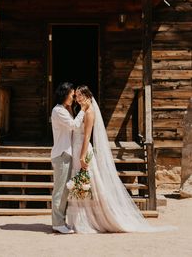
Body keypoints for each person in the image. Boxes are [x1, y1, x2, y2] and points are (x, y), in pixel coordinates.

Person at [67, 85, 175, 233]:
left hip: (83, 150)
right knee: (81, 183)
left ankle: (92, 219)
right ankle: (80, 219)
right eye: (76, 95)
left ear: (87, 96)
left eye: (80, 95)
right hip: (78, 147)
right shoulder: (82, 110)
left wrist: (82, 155)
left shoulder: (89, 112)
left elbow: (87, 136)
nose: (77, 98)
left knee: (89, 182)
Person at [51, 82, 88, 234]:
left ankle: (60, 221)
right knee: (60, 190)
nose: (73, 99)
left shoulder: (64, 110)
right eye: (72, 96)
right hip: (62, 154)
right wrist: (84, 110)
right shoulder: (58, 111)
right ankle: (57, 223)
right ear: (64, 95)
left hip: (66, 153)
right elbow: (73, 125)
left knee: (65, 190)